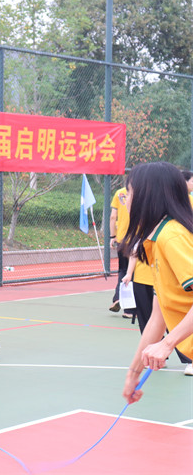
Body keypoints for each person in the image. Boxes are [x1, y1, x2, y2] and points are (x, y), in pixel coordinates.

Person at [122, 162, 193, 404]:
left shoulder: (172, 237)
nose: (126, 200)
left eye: (129, 192)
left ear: (147, 195)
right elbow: (158, 316)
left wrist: (167, 343)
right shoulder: (158, 239)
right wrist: (133, 373)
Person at [110, 186, 135, 319]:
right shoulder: (144, 190)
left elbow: (113, 217)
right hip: (136, 239)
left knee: (123, 270)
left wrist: (112, 236)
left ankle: (117, 297)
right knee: (134, 274)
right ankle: (129, 309)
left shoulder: (119, 192)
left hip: (121, 239)